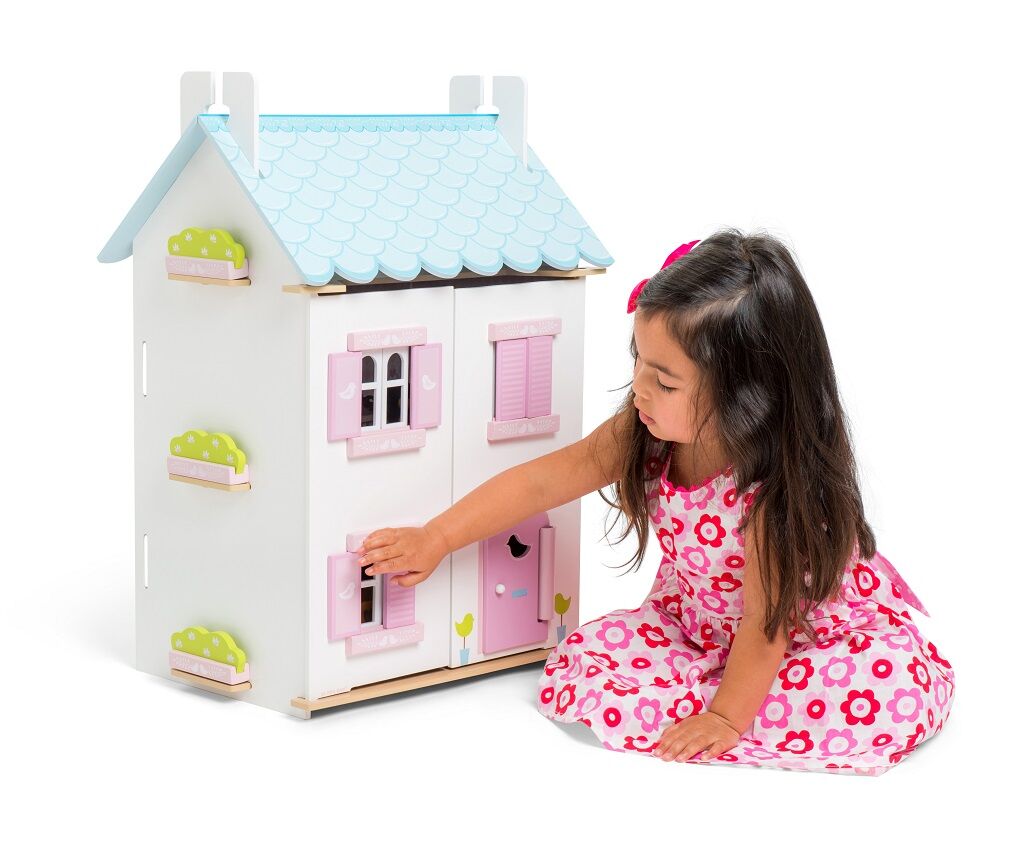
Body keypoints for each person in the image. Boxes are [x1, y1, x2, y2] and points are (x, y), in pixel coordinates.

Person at [353, 228, 955, 776]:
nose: (639, 388)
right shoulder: (645, 430)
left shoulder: (769, 494)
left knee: (882, 694)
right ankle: (715, 687)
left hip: (792, 637)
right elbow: (542, 482)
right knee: (582, 660)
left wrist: (724, 719)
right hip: (697, 625)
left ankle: (743, 705)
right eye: (638, 360)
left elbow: (765, 626)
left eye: (665, 381)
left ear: (748, 397)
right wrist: (438, 537)